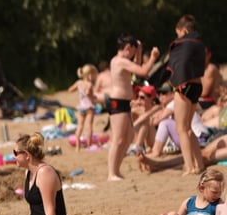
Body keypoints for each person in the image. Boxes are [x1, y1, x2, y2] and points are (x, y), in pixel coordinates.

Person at [106, 33, 160, 180]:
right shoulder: (119, 61)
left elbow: (135, 68)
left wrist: (140, 51)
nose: (133, 55)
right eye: (133, 52)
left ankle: (116, 170)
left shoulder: (122, 61)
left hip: (123, 102)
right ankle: (112, 173)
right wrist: (153, 57)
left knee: (129, 136)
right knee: (118, 139)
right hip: (117, 102)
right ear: (128, 48)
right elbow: (143, 72)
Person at [166, 15, 207, 176]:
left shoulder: (183, 44)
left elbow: (178, 65)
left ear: (184, 30)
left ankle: (189, 167)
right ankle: (199, 164)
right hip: (197, 85)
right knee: (188, 128)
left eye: (178, 34)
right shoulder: (199, 44)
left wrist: (175, 82)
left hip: (184, 86)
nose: (178, 38)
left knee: (181, 128)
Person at [67, 64, 98, 152]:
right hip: (89, 107)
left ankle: (77, 147)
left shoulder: (79, 83)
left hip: (81, 107)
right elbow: (90, 95)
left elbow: (70, 90)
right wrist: (95, 97)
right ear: (90, 75)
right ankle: (89, 145)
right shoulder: (89, 84)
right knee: (89, 126)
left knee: (80, 126)